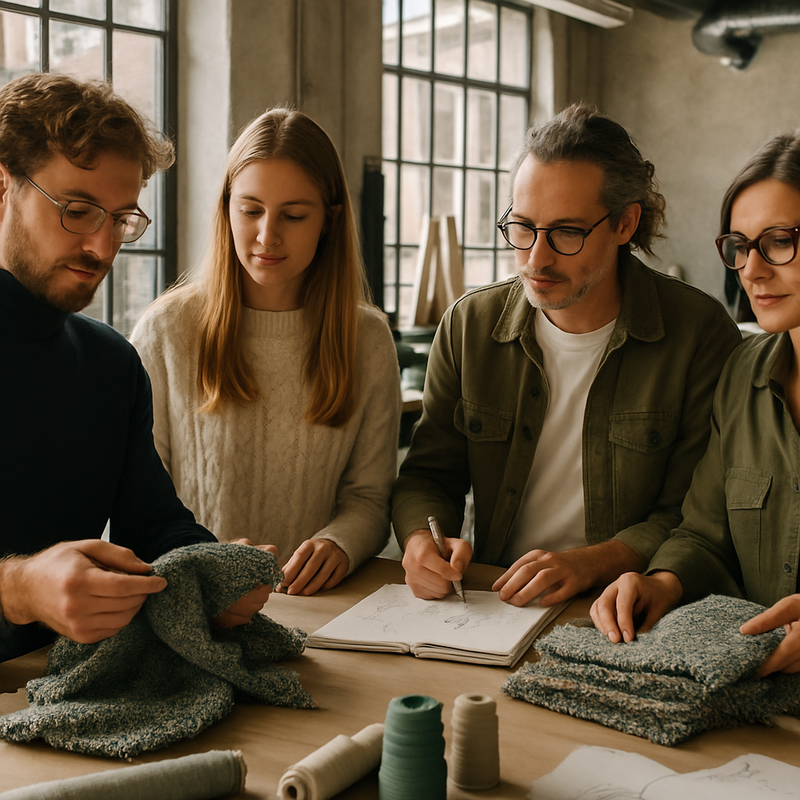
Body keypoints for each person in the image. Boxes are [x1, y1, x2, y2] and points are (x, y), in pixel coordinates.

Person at [392, 103, 742, 608]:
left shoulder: (700, 335)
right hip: (492, 601)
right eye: (522, 227)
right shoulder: (469, 326)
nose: (537, 258)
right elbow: (427, 476)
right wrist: (421, 541)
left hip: (630, 607)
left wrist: (590, 562)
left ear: (625, 225)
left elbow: (697, 513)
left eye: (566, 233)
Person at [0, 72, 273, 664]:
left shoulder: (108, 363)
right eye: (77, 210)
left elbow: (154, 523)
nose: (103, 247)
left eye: (121, 218)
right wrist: (17, 589)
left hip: (62, 692)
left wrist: (210, 574)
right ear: (3, 188)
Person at [130, 108, 401, 597]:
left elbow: (369, 499)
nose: (266, 236)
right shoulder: (166, 331)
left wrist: (339, 544)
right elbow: (138, 504)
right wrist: (204, 559)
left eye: (294, 216)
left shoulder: (367, 339)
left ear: (329, 219)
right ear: (226, 208)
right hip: (193, 601)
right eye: (250, 210)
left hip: (319, 607)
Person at [591, 131, 800, 676]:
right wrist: (662, 582)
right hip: (756, 697)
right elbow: (705, 533)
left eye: (779, 241)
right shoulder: (742, 375)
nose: (752, 269)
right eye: (740, 245)